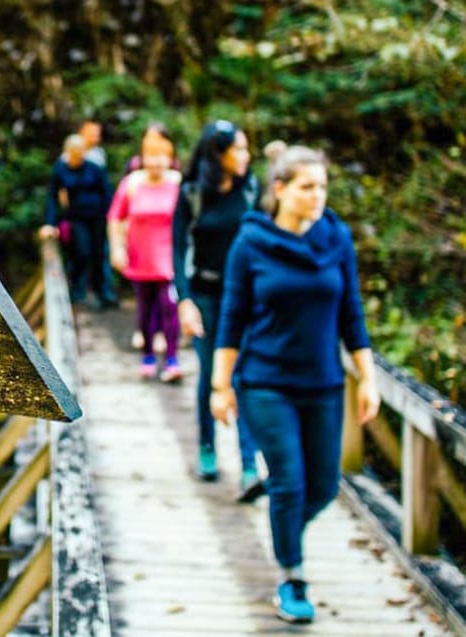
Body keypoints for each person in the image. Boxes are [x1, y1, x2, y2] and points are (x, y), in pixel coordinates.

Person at [209, 144, 380, 624]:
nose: (317, 196)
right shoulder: (251, 242)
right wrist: (219, 386)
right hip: (265, 382)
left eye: (323, 187)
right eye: (308, 187)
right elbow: (232, 316)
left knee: (323, 485)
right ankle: (292, 578)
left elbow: (352, 316)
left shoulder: (336, 239)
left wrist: (367, 378)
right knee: (289, 480)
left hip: (324, 383)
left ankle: (285, 525)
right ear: (280, 189)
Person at [172, 120, 264, 497]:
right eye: (238, 149)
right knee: (213, 372)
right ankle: (208, 448)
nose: (245, 156)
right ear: (217, 154)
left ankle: (248, 464)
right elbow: (176, 249)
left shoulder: (250, 189)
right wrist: (185, 300)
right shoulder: (192, 192)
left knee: (242, 374)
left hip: (243, 296)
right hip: (205, 294)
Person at [108, 132, 183, 382]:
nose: (157, 162)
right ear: (143, 158)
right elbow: (115, 217)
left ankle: (172, 359)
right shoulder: (132, 183)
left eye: (162, 156)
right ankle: (148, 356)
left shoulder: (178, 183)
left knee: (169, 306)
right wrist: (117, 248)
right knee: (145, 307)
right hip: (140, 255)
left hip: (170, 257)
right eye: (152, 156)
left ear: (170, 158)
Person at [41, 133, 118, 308]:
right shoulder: (61, 169)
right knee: (82, 252)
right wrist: (50, 223)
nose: (78, 157)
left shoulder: (94, 168)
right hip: (77, 218)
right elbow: (52, 197)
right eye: (75, 153)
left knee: (99, 254)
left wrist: (112, 219)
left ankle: (103, 293)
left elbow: (107, 194)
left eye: (81, 153)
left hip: (98, 217)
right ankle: (78, 292)